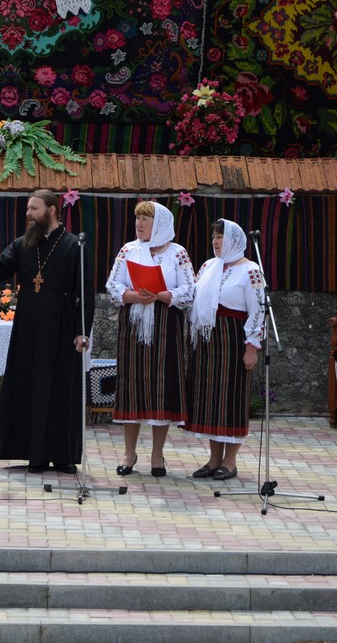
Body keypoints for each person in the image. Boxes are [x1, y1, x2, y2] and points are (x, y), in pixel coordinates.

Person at [0, 189, 94, 474]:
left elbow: (85, 293)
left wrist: (82, 331)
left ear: (51, 210)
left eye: (34, 208)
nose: (28, 213)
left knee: (61, 389)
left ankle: (63, 455)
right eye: (28, 208)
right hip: (28, 325)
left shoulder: (73, 245)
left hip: (62, 324)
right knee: (31, 388)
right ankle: (34, 455)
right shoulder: (22, 244)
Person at [105, 201, 195, 477]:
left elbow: (190, 289)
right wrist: (133, 296)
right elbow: (112, 284)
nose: (139, 224)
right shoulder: (128, 250)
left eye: (146, 219)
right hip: (133, 324)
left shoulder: (177, 253)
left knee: (162, 386)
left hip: (165, 323)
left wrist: (164, 295)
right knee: (131, 385)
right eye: (138, 219)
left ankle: (157, 454)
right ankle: (129, 453)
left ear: (161, 225)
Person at [184, 218, 266, 481]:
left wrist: (251, 347)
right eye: (213, 237)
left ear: (234, 240)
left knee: (231, 398)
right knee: (211, 399)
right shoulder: (208, 266)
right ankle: (214, 459)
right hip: (208, 341)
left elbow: (258, 310)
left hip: (232, 340)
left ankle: (230, 461)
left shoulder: (251, 270)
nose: (215, 242)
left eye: (220, 237)